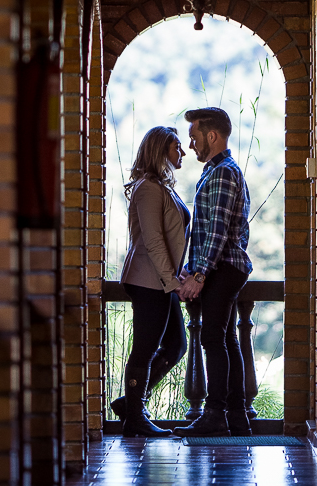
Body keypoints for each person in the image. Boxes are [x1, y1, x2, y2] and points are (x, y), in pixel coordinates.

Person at [174, 107, 252, 438]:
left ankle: (216, 415)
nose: (191, 145)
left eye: (194, 138)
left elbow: (218, 230)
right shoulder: (218, 170)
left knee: (211, 338)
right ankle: (236, 417)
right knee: (225, 339)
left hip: (223, 267)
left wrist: (199, 274)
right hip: (223, 266)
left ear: (212, 136)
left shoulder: (222, 173)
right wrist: (192, 268)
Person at [113, 125, 190, 438]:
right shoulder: (148, 188)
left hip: (161, 280)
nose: (182, 152)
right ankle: (134, 419)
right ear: (161, 150)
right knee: (145, 349)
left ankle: (129, 404)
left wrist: (177, 274)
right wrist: (172, 280)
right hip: (149, 280)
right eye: (177, 147)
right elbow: (153, 241)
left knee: (176, 345)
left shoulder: (162, 186)